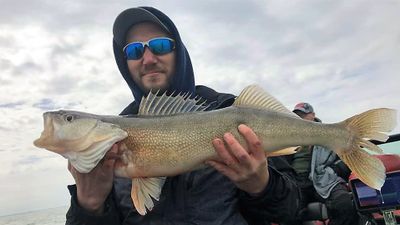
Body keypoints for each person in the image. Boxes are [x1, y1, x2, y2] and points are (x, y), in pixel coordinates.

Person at [65, 6, 299, 225]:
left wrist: (261, 186)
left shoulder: (230, 109)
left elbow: (291, 209)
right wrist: (88, 207)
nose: (148, 59)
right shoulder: (111, 141)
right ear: (124, 62)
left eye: (160, 46)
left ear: (179, 51)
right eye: (134, 51)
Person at [286, 102, 358, 225]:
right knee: (285, 211)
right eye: (297, 116)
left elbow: (348, 157)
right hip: (295, 182)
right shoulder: (288, 136)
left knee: (344, 203)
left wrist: (335, 170)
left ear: (313, 115)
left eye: (303, 115)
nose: (300, 118)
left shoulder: (329, 133)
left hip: (324, 179)